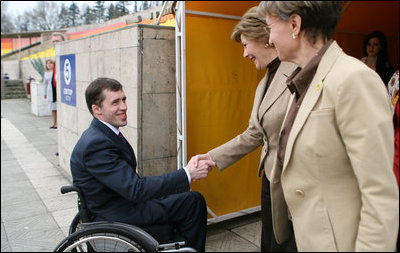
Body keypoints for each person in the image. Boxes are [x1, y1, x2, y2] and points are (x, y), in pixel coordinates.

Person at [255, 1, 398, 251]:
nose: (269, 39)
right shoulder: (302, 80)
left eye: (269, 28)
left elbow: (379, 195)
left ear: (294, 24)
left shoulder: (354, 79)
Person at [193, 6, 297, 252]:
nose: (243, 54)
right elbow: (254, 133)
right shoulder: (264, 82)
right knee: (269, 243)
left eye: (244, 45)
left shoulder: (297, 72)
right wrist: (212, 157)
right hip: (269, 179)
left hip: (291, 182)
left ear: (264, 37)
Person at [70, 77, 214, 252]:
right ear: (97, 110)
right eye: (115, 102)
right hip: (116, 214)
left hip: (120, 203)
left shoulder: (102, 135)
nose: (124, 106)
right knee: (193, 201)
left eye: (123, 99)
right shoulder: (96, 144)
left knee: (182, 192)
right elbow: (135, 190)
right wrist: (187, 174)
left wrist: (183, 177)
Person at [43, 59, 57, 129]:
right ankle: (54, 123)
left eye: (50, 63)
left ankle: (57, 123)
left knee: (57, 108)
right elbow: (45, 84)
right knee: (52, 109)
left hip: (56, 92)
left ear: (53, 64)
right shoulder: (46, 73)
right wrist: (44, 93)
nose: (49, 65)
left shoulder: (56, 72)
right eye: (47, 64)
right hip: (49, 92)